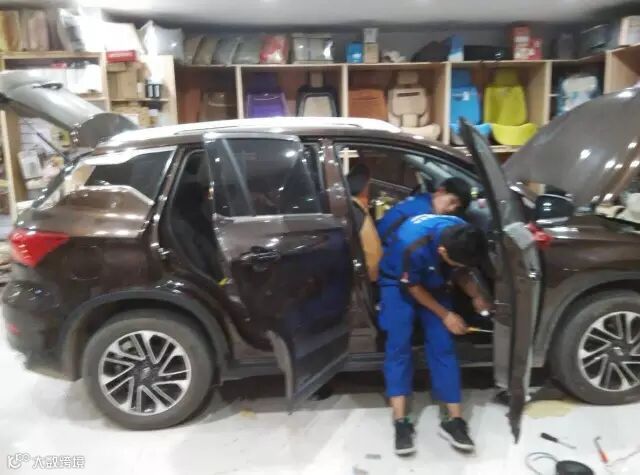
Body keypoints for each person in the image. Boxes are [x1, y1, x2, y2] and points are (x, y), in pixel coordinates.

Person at [377, 213, 491, 455]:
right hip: (398, 282)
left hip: (434, 281)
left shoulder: (462, 232)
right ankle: (401, 421)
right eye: (455, 262)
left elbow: (462, 271)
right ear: (441, 250)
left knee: (443, 344)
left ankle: (454, 420)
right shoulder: (411, 243)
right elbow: (412, 286)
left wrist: (476, 295)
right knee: (398, 344)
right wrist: (446, 315)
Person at [377, 177, 472, 247]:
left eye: (456, 208)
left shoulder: (420, 201)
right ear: (441, 191)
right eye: (452, 202)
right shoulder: (423, 214)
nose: (451, 209)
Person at [347, 164, 383, 281]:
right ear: (365, 187)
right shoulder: (358, 213)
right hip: (366, 281)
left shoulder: (352, 209)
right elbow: (372, 262)